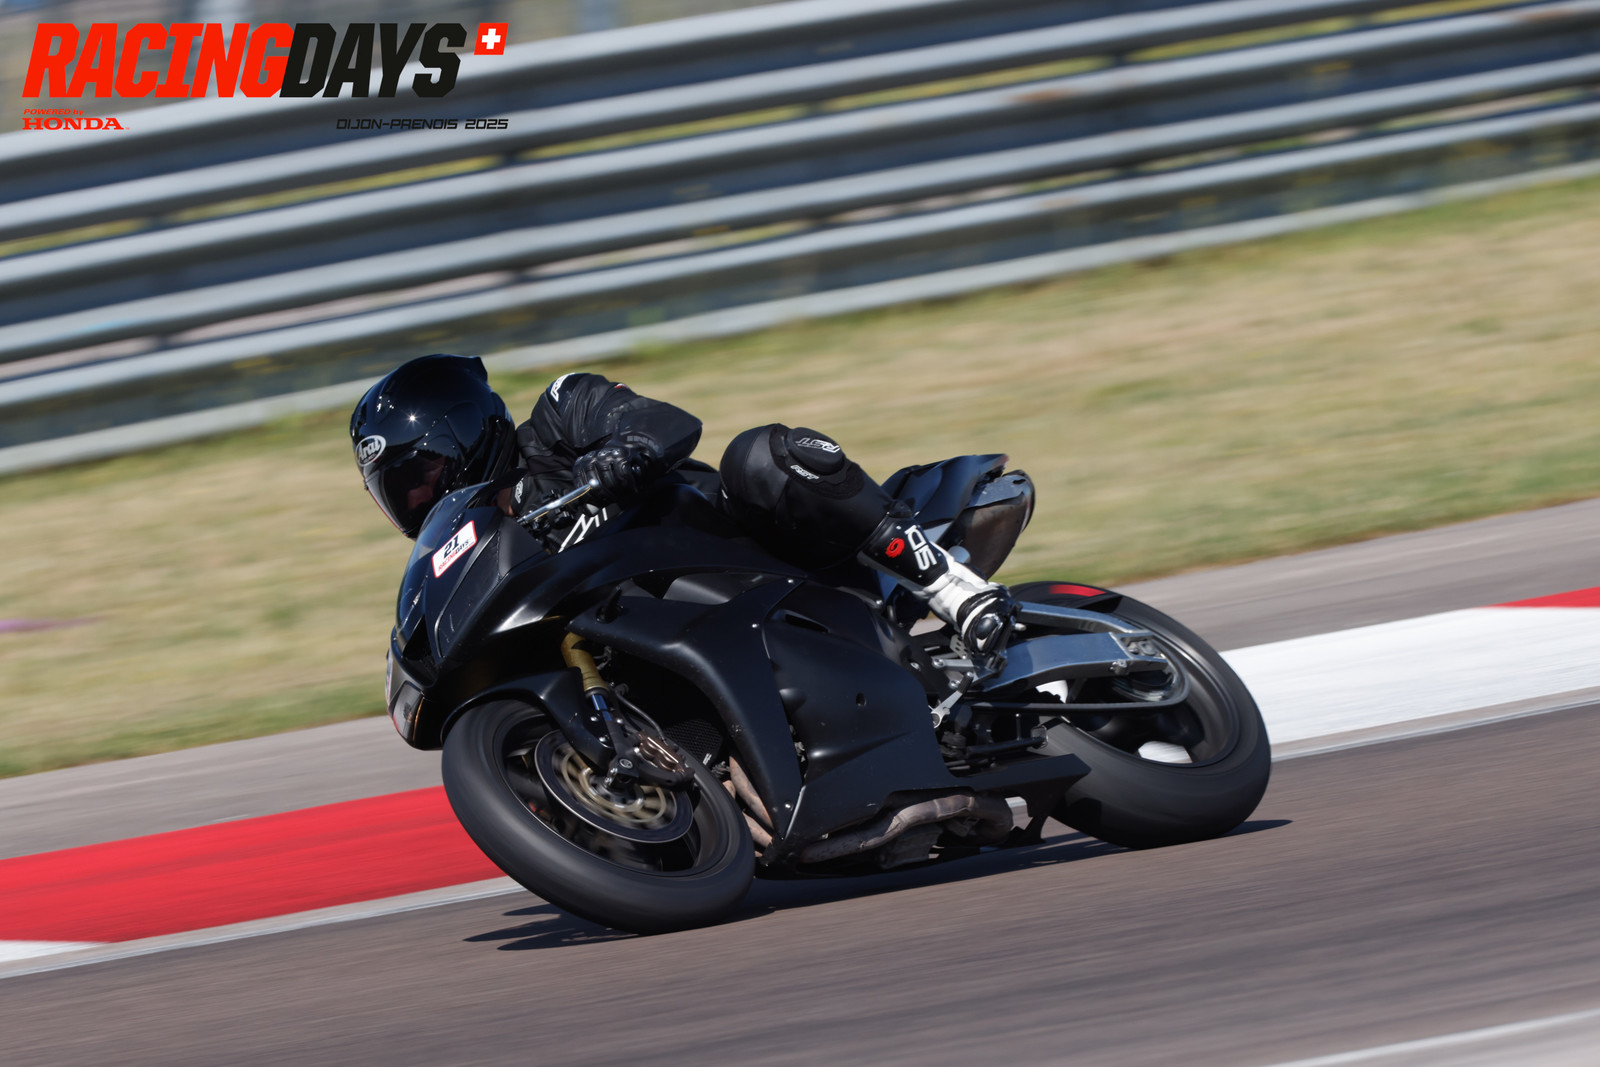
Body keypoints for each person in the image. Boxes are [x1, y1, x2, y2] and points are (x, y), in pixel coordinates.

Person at [350, 353, 1016, 660]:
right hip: (682, 636)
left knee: (759, 455)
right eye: (398, 493)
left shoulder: (558, 415)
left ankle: (952, 589)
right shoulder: (483, 552)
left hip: (762, 555)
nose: (417, 499)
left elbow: (663, 421)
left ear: (465, 434)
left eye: (420, 474)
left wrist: (626, 450)